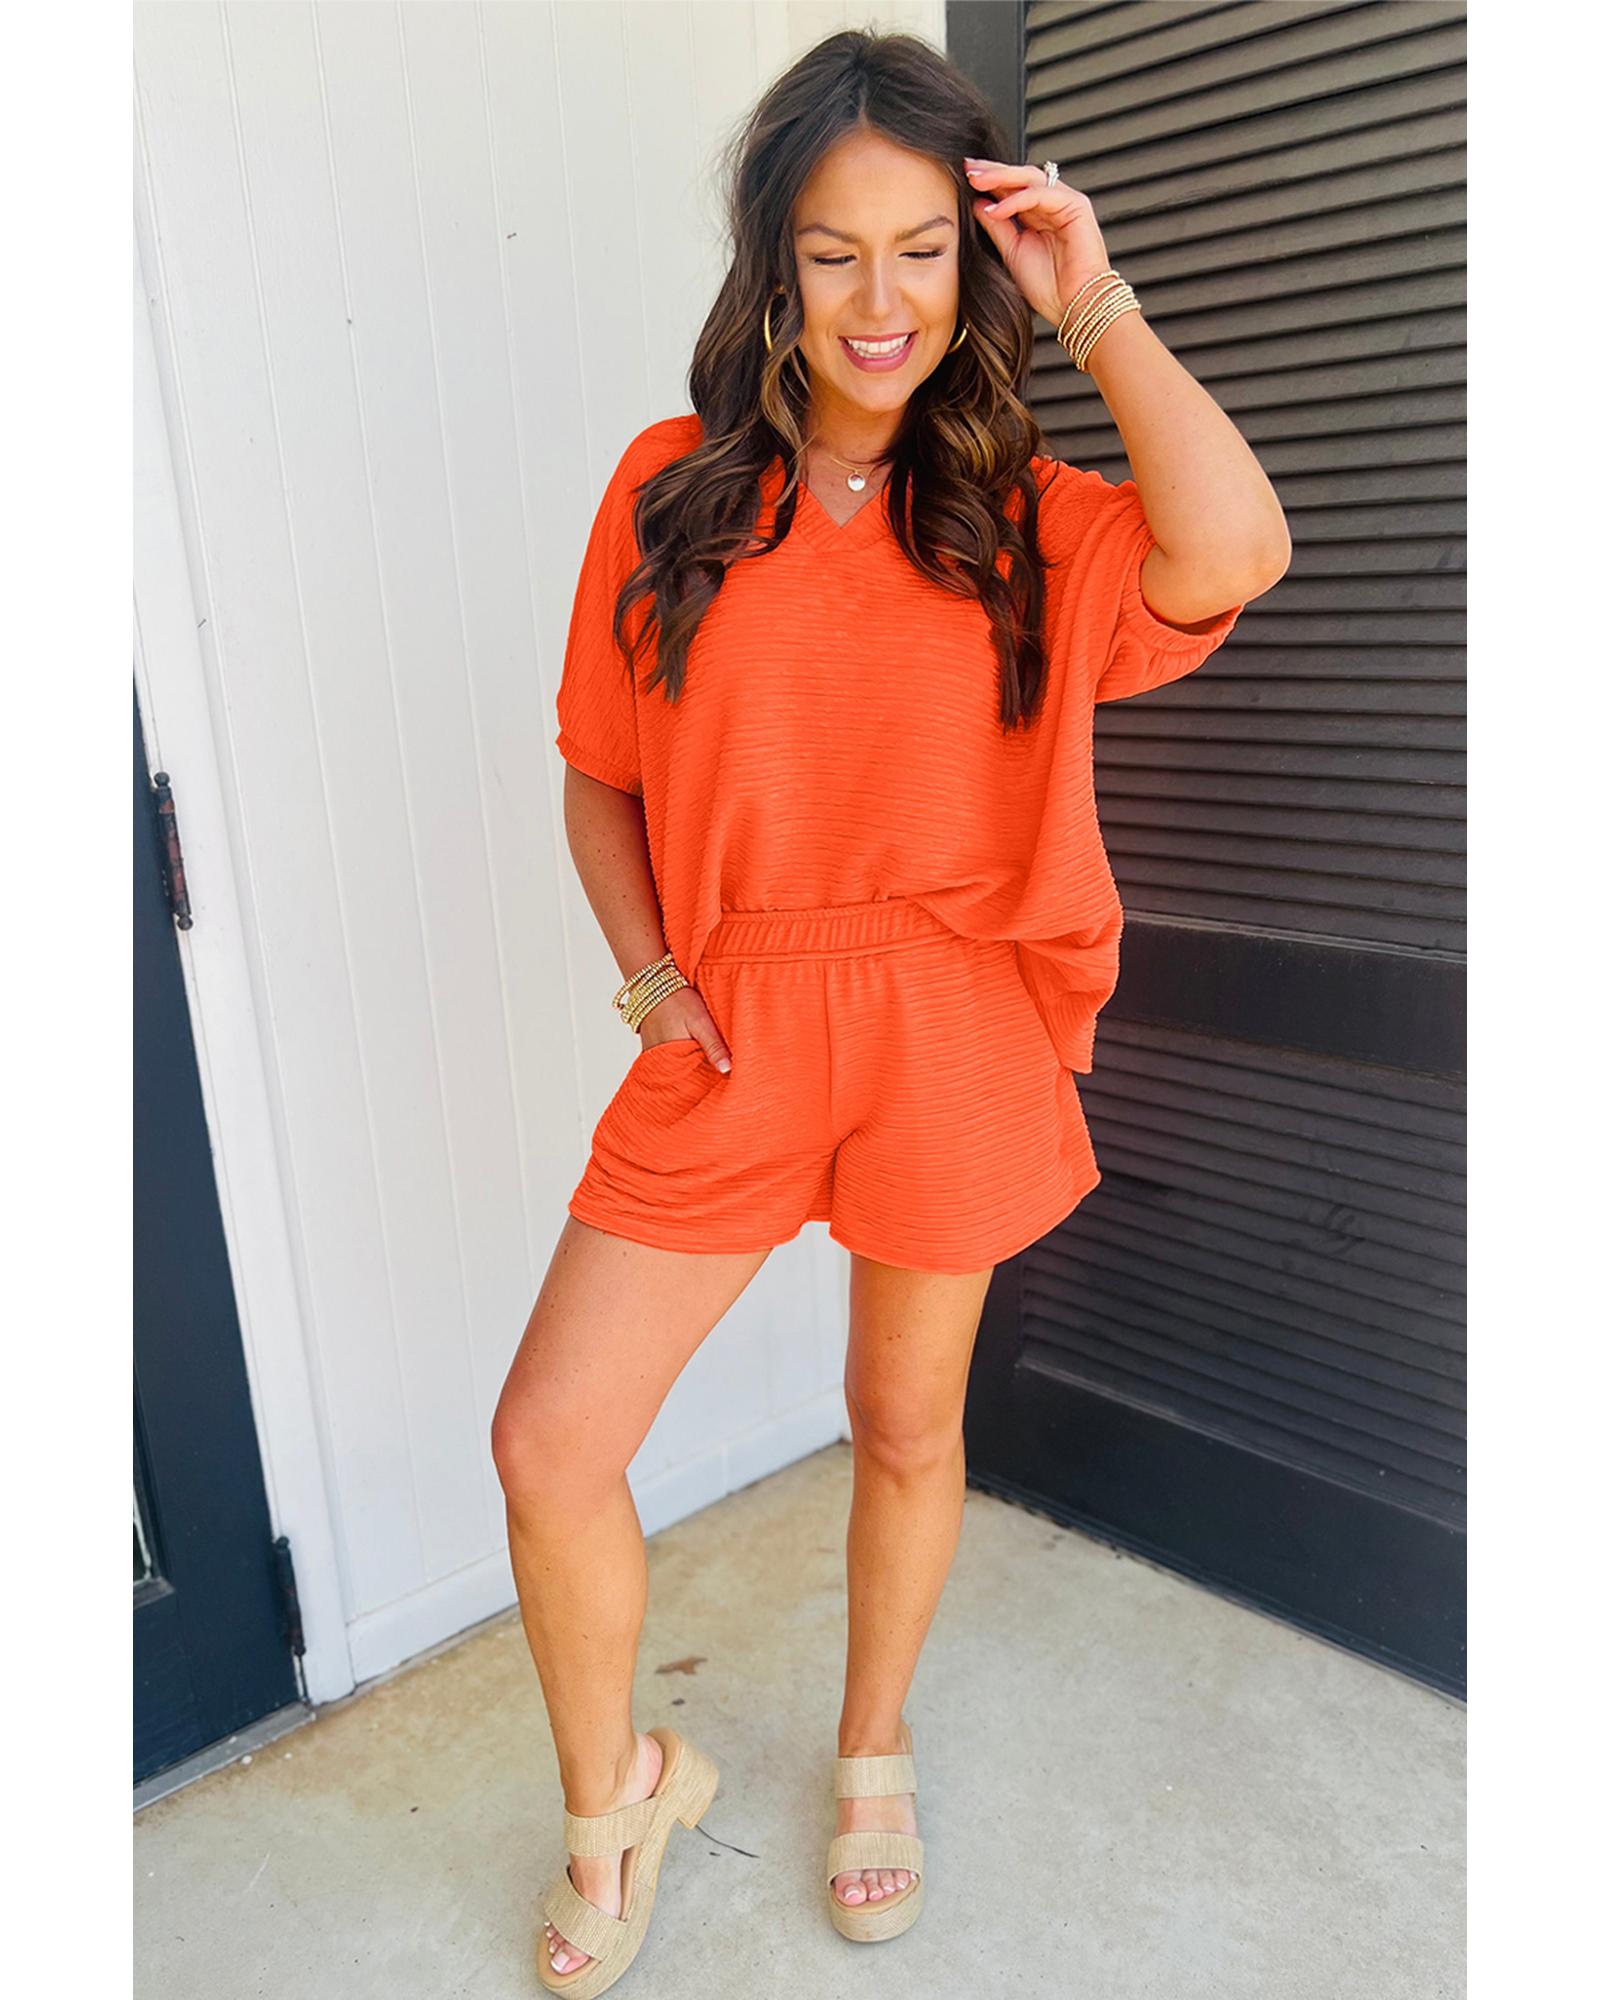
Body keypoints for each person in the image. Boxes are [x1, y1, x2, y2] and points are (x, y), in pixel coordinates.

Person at [491, 28, 1290, 1996]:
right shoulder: (667, 492)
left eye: (922, 250)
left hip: (953, 1021)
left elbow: (1237, 548)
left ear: (971, 258)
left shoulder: (1027, 512)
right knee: (550, 1441)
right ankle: (617, 1800)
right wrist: (653, 982)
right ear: (773, 259)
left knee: (903, 1421)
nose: (880, 299)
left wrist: (1088, 292)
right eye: (834, 251)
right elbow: (596, 772)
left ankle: (871, 1745)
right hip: (738, 1020)